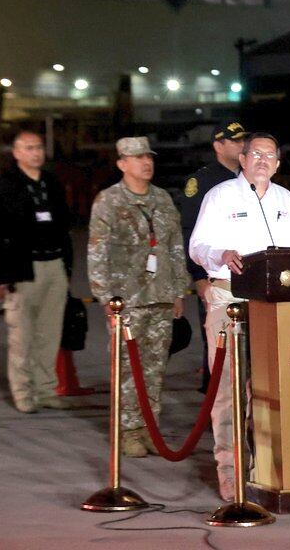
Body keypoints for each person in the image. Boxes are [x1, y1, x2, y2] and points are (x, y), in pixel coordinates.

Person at [189, 132, 290, 500]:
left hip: (272, 302)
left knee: (268, 388)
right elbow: (197, 246)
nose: (262, 160)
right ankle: (230, 471)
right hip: (230, 296)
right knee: (228, 389)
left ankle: (265, 468)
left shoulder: (285, 199)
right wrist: (222, 254)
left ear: (278, 163)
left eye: (269, 155)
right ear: (242, 160)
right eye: (255, 153)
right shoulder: (221, 195)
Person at [88, 137, 188, 457]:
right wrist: (105, 297)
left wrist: (178, 290)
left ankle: (149, 428)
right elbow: (97, 252)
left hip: (160, 295)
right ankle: (128, 431)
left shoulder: (162, 199)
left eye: (149, 157)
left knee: (155, 368)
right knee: (128, 369)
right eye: (138, 157)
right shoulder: (109, 201)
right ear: (122, 163)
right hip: (127, 298)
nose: (146, 163)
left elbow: (174, 246)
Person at [0, 131, 73, 413]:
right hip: (23, 270)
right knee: (22, 336)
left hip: (54, 265)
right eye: (29, 148)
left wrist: (67, 266)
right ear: (17, 153)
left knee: (49, 334)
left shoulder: (52, 183)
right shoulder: (5, 188)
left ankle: (45, 389)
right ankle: (23, 393)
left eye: (39, 148)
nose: (36, 153)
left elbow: (65, 228)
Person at [179, 121, 245, 393]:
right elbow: (189, 232)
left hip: (245, 274)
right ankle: (213, 397)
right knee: (216, 340)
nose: (242, 145)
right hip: (213, 274)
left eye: (243, 140)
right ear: (218, 145)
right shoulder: (203, 181)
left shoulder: (249, 178)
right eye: (235, 141)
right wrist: (198, 277)